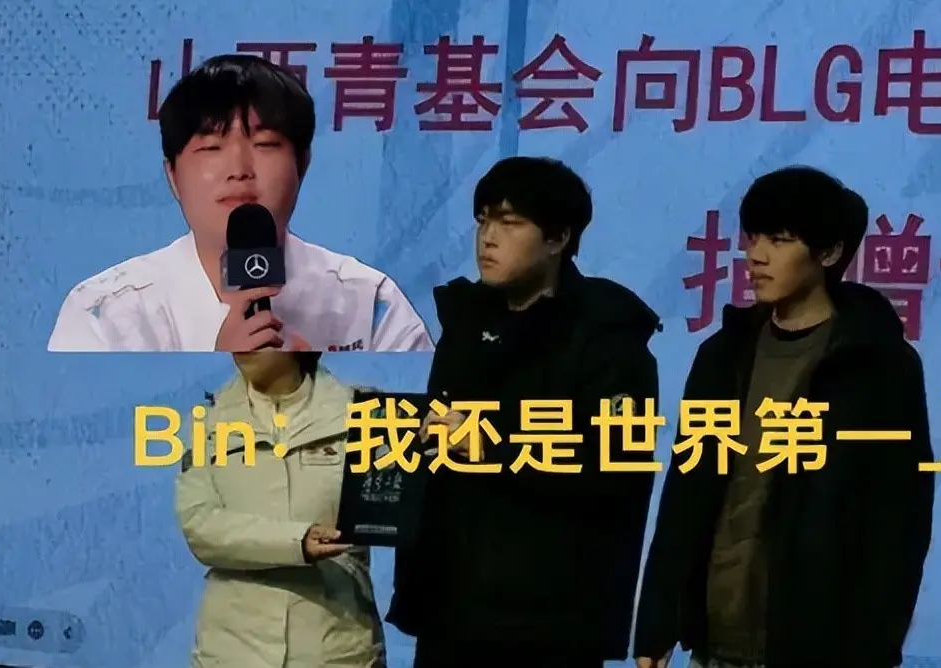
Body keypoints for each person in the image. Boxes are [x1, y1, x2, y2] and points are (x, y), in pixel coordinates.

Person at [633, 166, 936, 668]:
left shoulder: (878, 366)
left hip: (818, 649)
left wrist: (872, 650)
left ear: (829, 253)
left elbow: (898, 525)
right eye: (753, 237)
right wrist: (657, 621)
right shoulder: (723, 355)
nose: (757, 255)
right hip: (715, 641)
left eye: (780, 240)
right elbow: (685, 495)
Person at [386, 156, 661, 668]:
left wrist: (493, 445)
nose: (488, 238)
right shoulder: (465, 323)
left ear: (558, 238)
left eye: (510, 222)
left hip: (548, 624)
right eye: (482, 220)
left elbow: (617, 468)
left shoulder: (610, 339)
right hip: (450, 611)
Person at [48, 54, 432, 353]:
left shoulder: (370, 303)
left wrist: (320, 392)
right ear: (173, 176)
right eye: (211, 148)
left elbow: (435, 424)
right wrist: (218, 374)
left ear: (302, 164)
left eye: (264, 144)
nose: (239, 170)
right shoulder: (103, 313)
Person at [175, 350, 385, 668]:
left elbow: (407, 503)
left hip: (337, 647)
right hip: (232, 650)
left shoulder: (365, 411)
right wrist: (297, 541)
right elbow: (200, 526)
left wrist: (441, 445)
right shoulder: (207, 422)